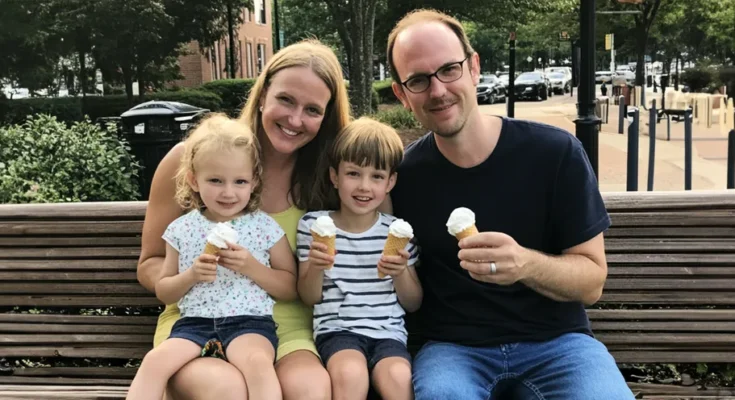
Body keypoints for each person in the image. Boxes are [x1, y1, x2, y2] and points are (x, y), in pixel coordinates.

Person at [384, 9, 636, 400]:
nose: (437, 91)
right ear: (401, 94)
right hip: (455, 349)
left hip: (559, 344)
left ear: (473, 68)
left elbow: (592, 282)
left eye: (448, 69)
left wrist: (525, 263)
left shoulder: (555, 153)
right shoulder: (402, 177)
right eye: (418, 80)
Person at [136, 39, 351, 400]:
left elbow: (377, 224)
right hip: (194, 320)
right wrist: (193, 272)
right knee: (227, 389)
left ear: (326, 116)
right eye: (285, 99)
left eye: (312, 109)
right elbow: (150, 264)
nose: (295, 119)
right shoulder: (190, 160)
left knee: (311, 389)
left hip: (285, 326)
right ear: (263, 93)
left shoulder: (327, 176)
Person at [127, 114, 297, 400]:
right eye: (216, 180)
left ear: (254, 181)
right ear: (194, 180)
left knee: (258, 364)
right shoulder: (182, 229)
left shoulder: (264, 227)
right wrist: (191, 275)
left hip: (249, 322)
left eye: (239, 181)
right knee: (154, 362)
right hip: (194, 323)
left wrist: (252, 267)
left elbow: (289, 287)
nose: (228, 192)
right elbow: (165, 291)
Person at [297, 117, 422, 400]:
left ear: (390, 182)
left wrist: (401, 272)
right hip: (338, 330)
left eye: (376, 176)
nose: (364, 186)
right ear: (334, 176)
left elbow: (413, 303)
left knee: (399, 378)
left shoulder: (398, 233)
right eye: (353, 173)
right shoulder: (313, 226)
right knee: (350, 374)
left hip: (388, 332)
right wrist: (316, 267)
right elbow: (308, 297)